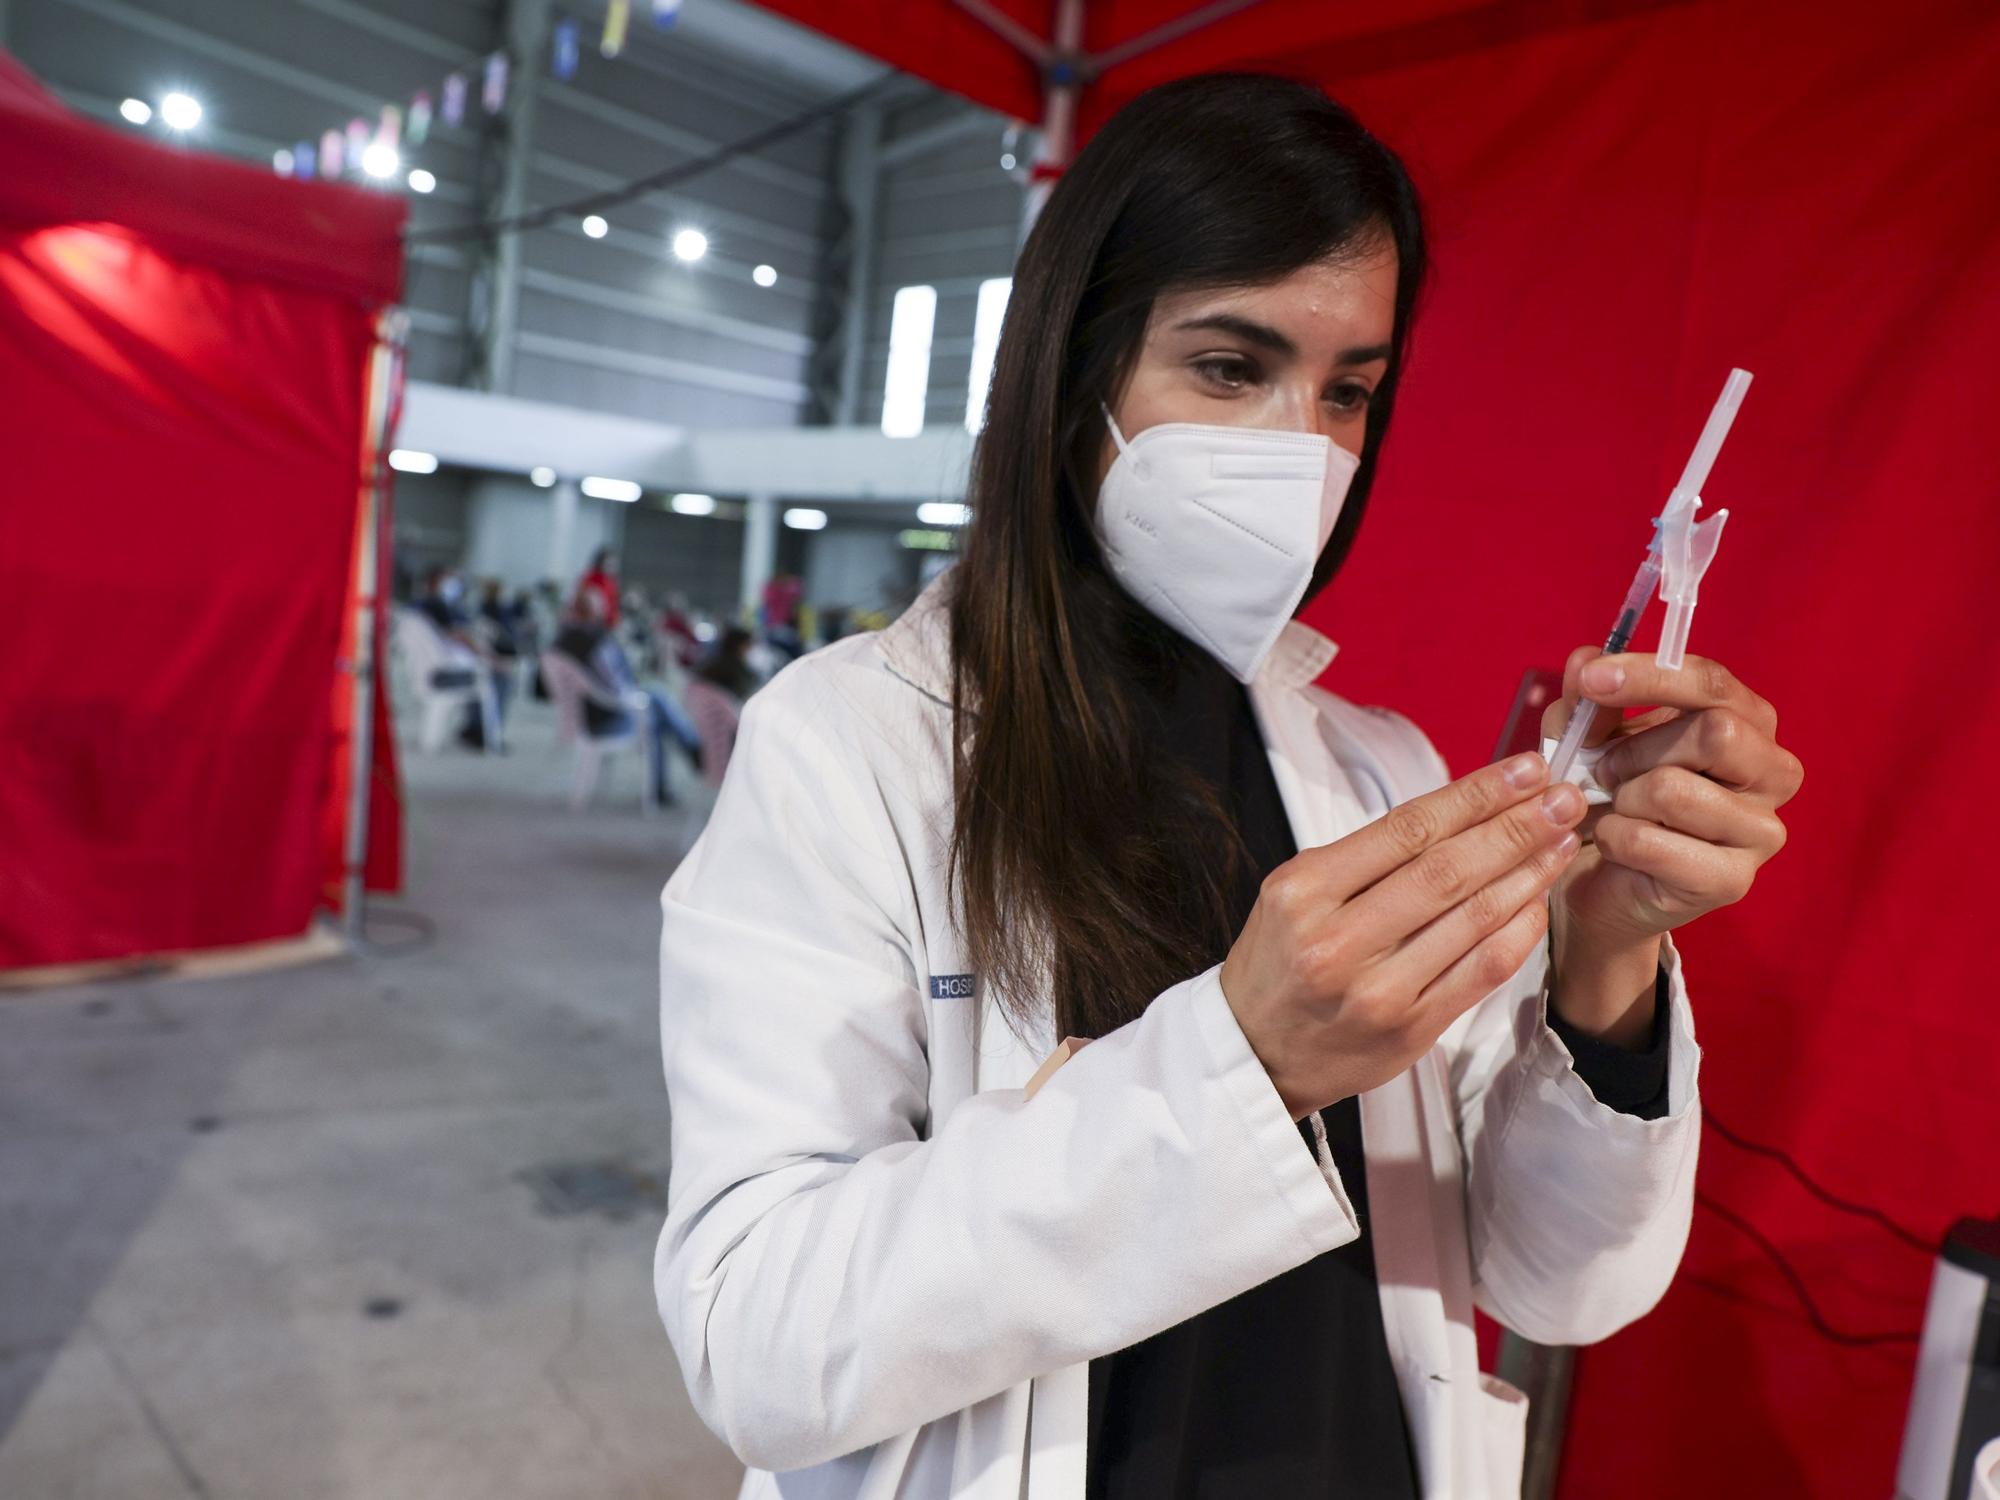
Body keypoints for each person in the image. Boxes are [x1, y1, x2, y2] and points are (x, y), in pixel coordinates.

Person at [654, 74, 1803, 1500]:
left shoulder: (1377, 768)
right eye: (1227, 366)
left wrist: (1612, 951)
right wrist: (1241, 1062)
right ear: (1075, 368)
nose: (1298, 448)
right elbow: (756, 1342)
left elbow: (1562, 1280)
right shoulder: (849, 747)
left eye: (1349, 391)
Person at [552, 589, 698, 806]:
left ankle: (690, 749)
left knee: (657, 698)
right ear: (595, 610)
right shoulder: (594, 640)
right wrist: (632, 693)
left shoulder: (563, 639)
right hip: (604, 714)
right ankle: (692, 751)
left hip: (586, 713)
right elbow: (614, 683)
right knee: (656, 708)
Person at [416, 564, 509, 750]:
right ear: (436, 581)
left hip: (439, 666)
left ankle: (475, 728)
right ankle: (483, 731)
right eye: (449, 580)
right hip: (444, 670)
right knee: (497, 676)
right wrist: (484, 653)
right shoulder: (436, 605)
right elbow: (456, 634)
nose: (454, 585)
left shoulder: (426, 605)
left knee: (486, 674)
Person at [681, 627, 756, 790]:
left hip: (708, 722)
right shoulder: (733, 666)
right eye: (749, 644)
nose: (751, 648)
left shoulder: (718, 660)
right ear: (740, 645)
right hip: (725, 726)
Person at [578, 547, 621, 628]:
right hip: (589, 625)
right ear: (600, 563)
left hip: (606, 626)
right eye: (609, 564)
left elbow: (613, 608)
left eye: (614, 565)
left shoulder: (612, 584)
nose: (612, 568)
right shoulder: (590, 579)